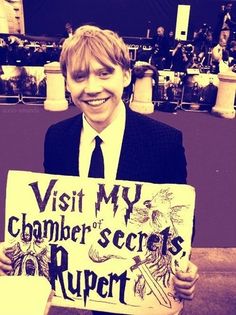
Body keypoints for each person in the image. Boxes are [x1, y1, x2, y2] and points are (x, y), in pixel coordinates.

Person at [0, 25, 199, 314]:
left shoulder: (165, 141)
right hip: (87, 292)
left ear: (126, 75)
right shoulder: (57, 138)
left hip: (141, 301)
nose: (92, 88)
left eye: (105, 73)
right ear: (67, 83)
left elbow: (181, 218)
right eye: (80, 76)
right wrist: (17, 251)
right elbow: (53, 219)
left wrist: (183, 266)